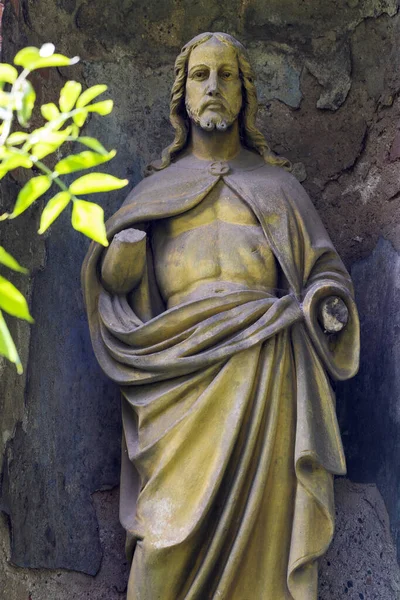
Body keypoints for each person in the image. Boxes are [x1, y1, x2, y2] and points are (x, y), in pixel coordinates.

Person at [82, 32, 359, 600]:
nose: (213, 87)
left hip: (265, 373)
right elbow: (112, 291)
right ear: (182, 95)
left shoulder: (279, 189)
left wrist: (328, 305)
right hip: (177, 384)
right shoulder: (154, 193)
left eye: (225, 75)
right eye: (201, 76)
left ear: (243, 93)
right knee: (159, 550)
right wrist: (119, 266)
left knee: (266, 544)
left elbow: (324, 272)